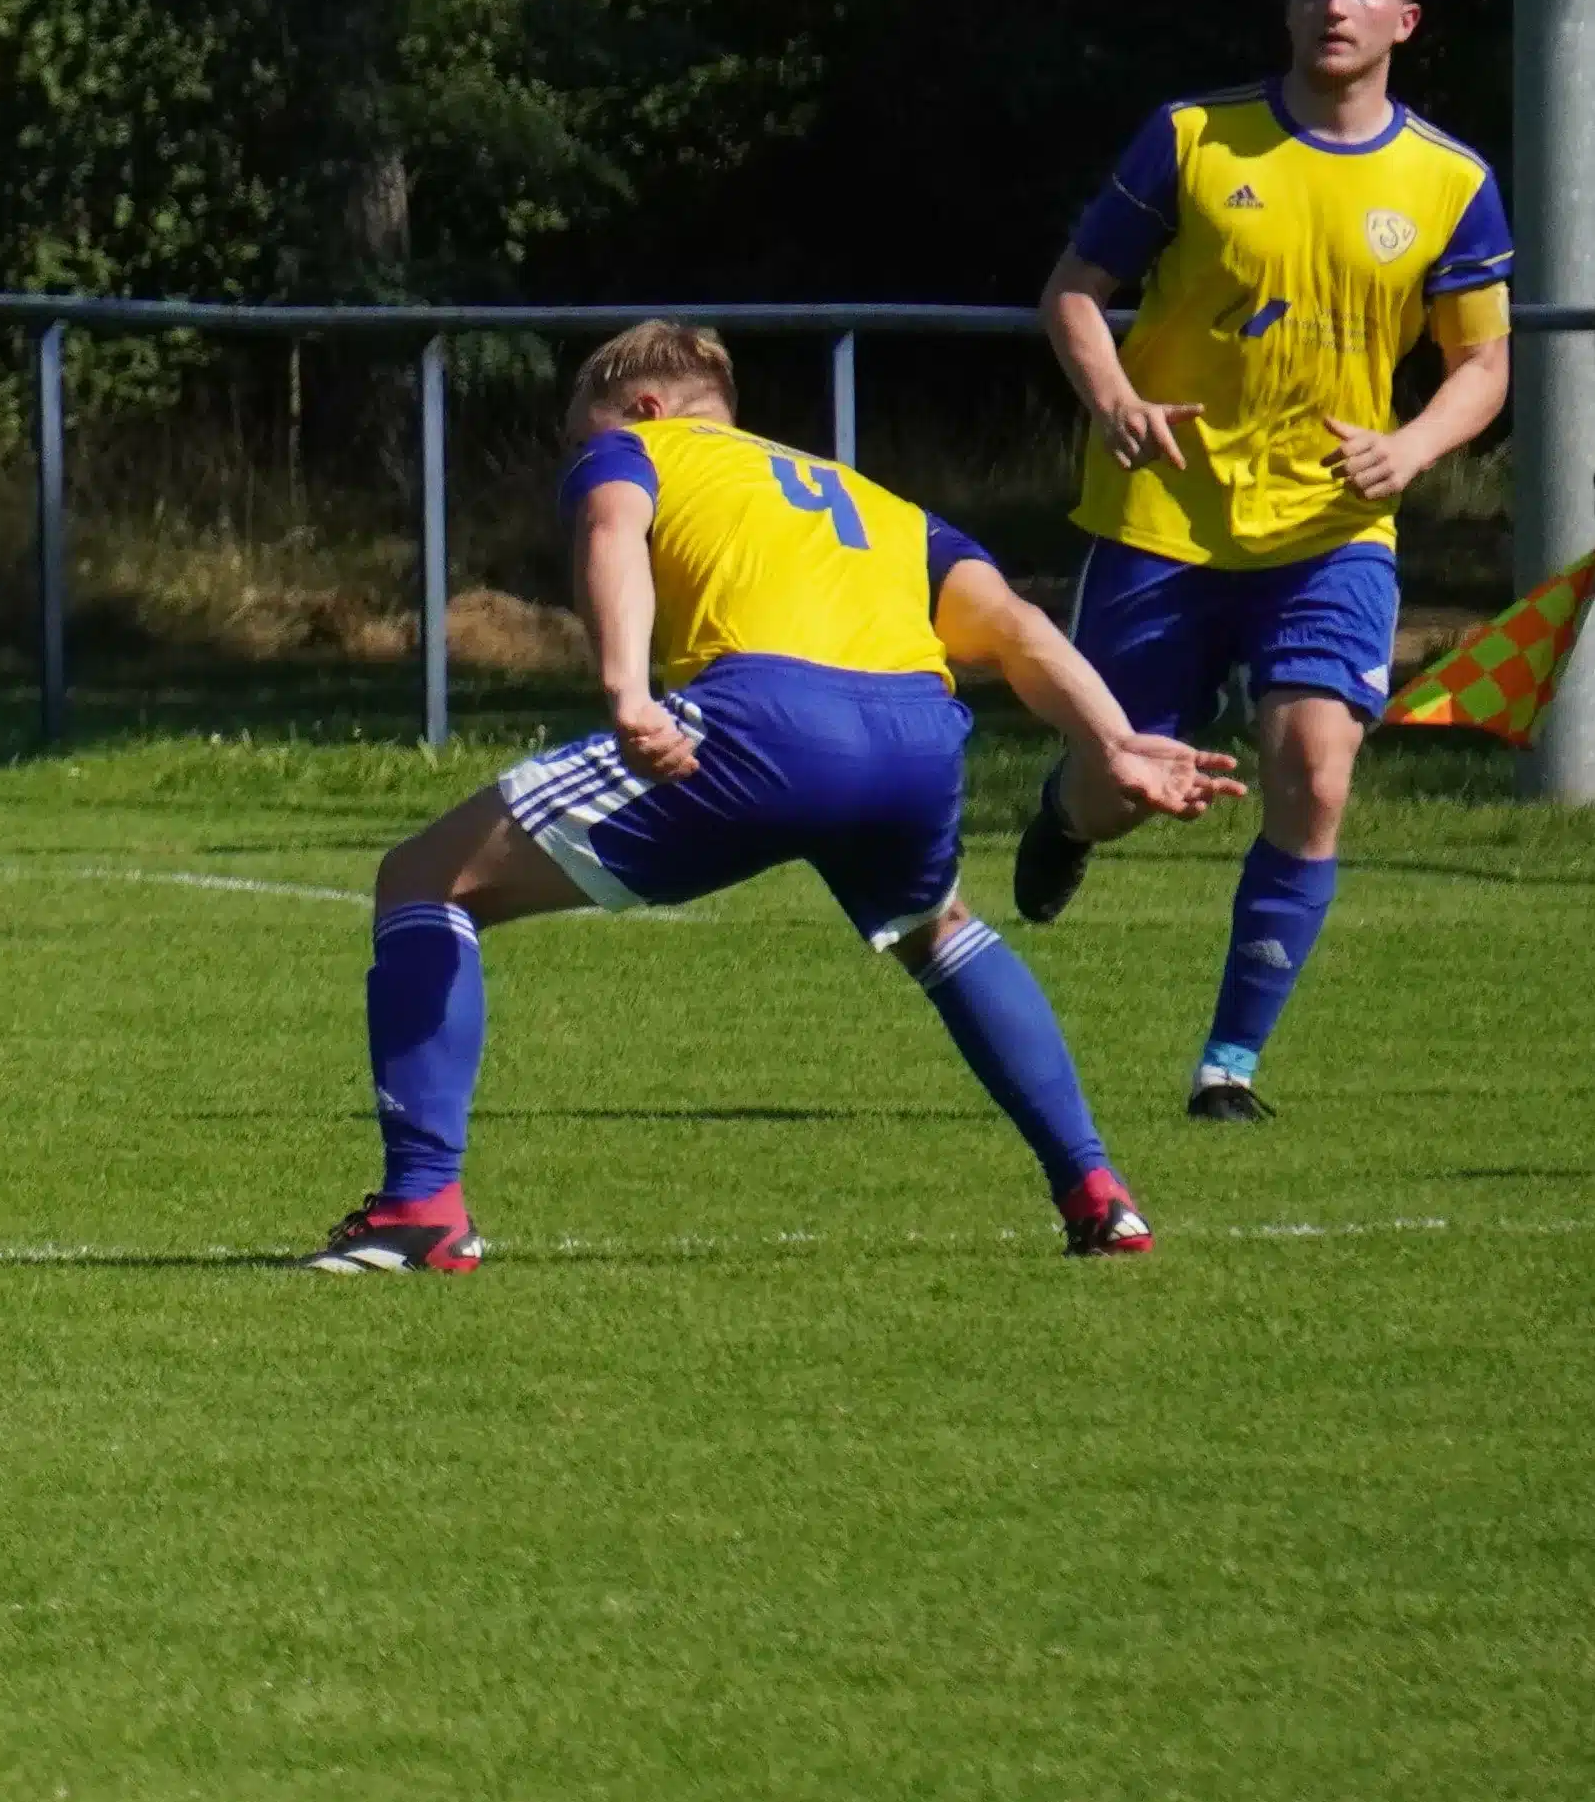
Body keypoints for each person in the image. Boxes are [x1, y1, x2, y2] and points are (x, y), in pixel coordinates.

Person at [311, 322, 1244, 1275]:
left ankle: (420, 1205)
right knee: (941, 931)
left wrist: (627, 689)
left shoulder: (634, 446)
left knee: (423, 878)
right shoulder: (869, 498)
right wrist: (1113, 737)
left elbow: (610, 529)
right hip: (916, 737)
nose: (578, 456)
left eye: (578, 435)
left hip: (764, 723)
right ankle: (1097, 1192)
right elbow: (1010, 624)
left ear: (643, 406)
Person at [1008, 0, 1515, 1122]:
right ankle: (1064, 813)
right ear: (1286, 4)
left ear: (1403, 16)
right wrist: (1118, 396)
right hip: (1164, 520)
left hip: (1329, 530)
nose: (1329, 5)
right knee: (1123, 780)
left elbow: (1481, 366)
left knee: (1314, 766)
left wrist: (1409, 448)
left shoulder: (1449, 181)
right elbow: (1072, 294)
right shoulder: (1192, 138)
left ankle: (1227, 1063)